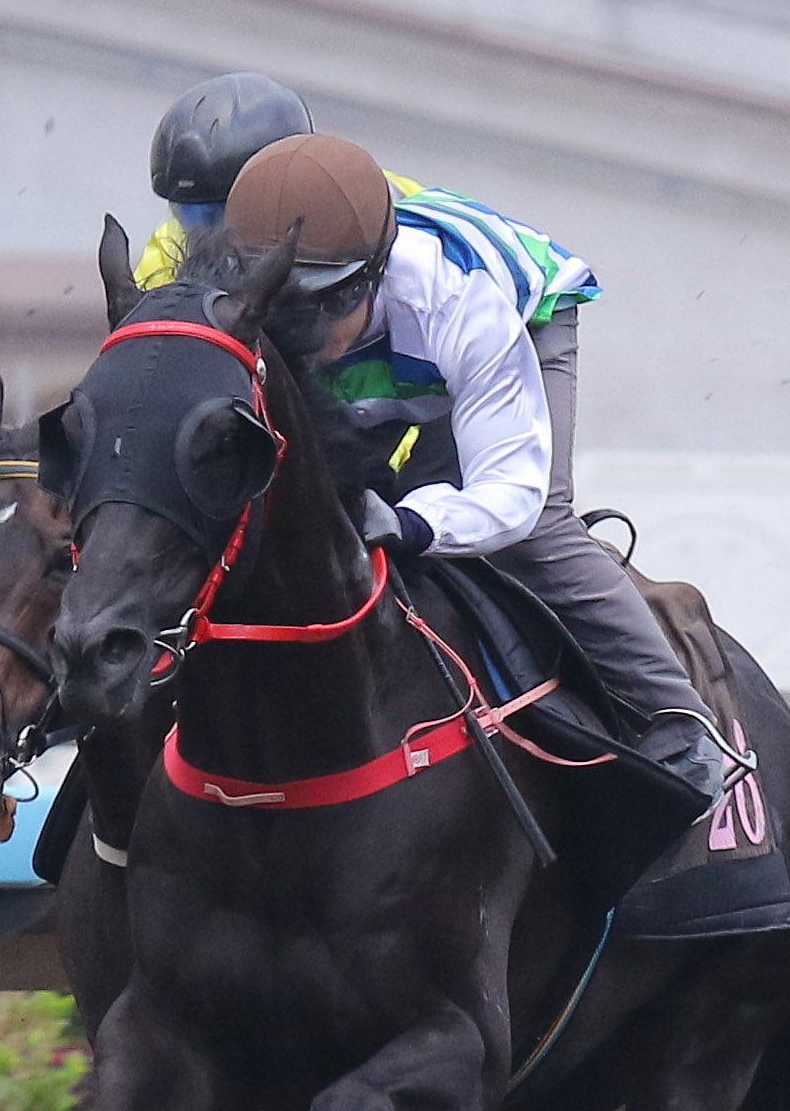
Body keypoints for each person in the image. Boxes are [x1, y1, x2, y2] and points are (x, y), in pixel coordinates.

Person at [220, 132, 736, 811]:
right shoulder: (248, 307)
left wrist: (411, 524)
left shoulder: (457, 303)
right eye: (289, 309)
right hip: (403, 350)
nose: (310, 335)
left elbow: (510, 493)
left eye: (329, 305)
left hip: (519, 319)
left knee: (532, 531)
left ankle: (677, 716)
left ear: (372, 277)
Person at [134, 71, 424, 290]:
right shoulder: (170, 258)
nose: (206, 236)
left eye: (220, 213)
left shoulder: (393, 218)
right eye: (188, 215)